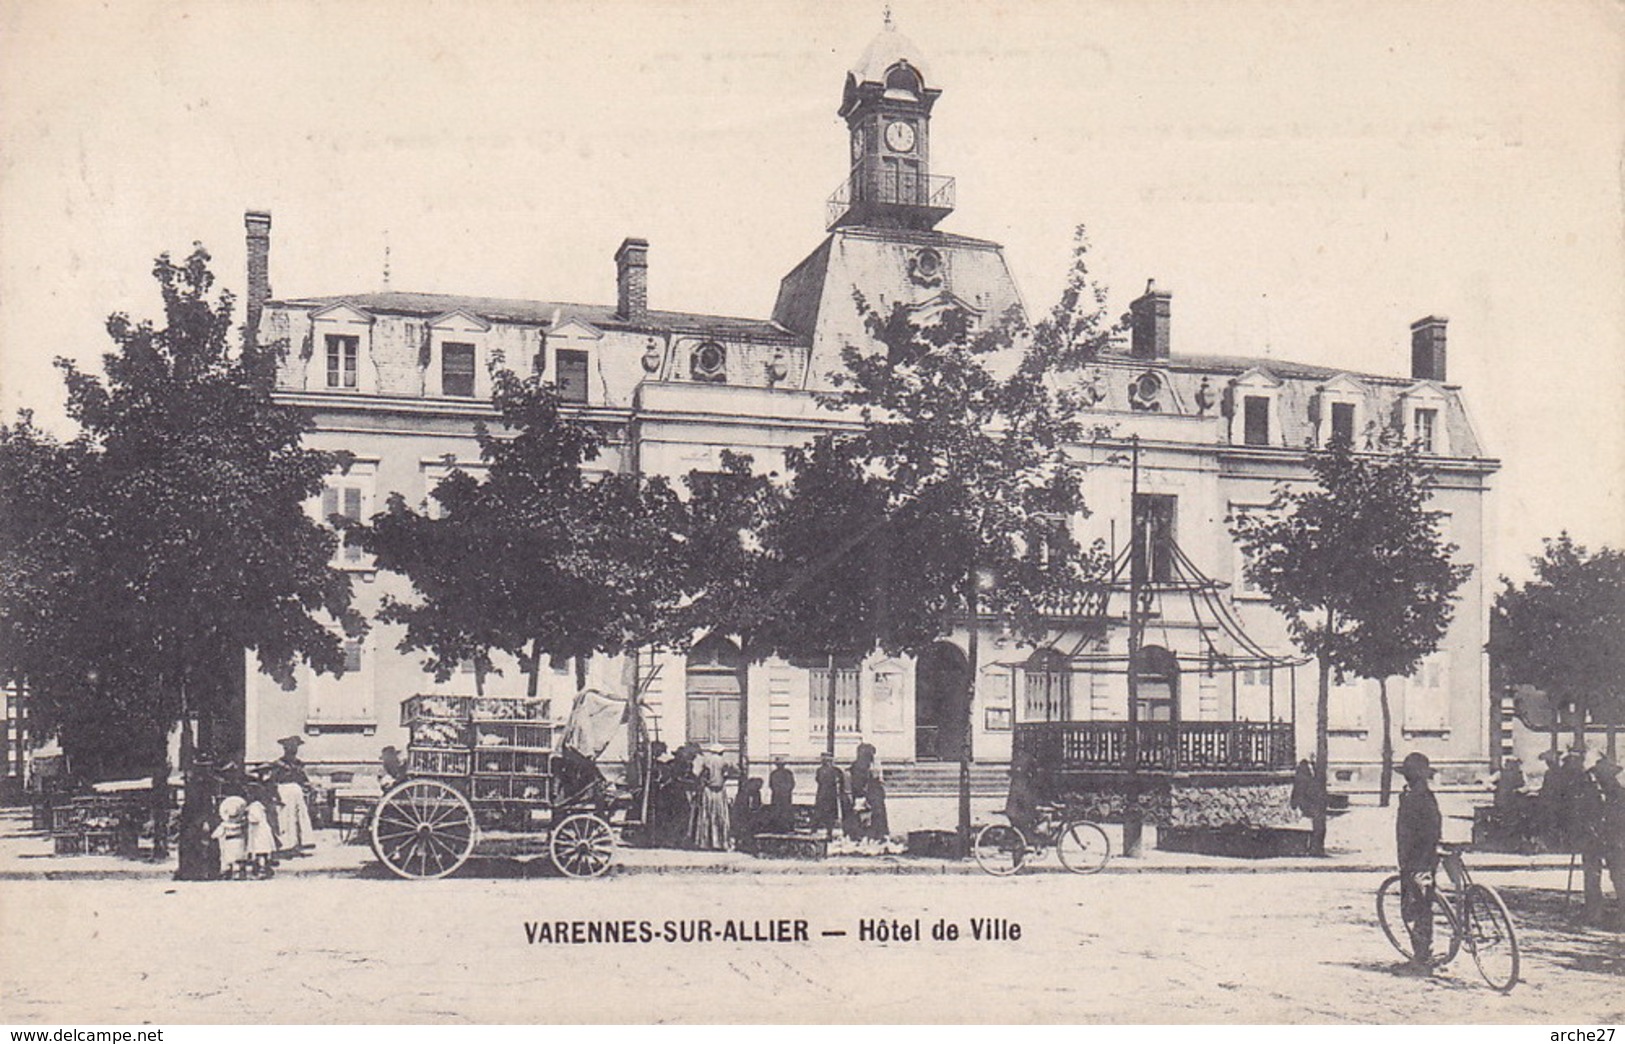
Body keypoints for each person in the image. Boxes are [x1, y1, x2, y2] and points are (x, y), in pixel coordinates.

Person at [1395, 751, 1442, 972]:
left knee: (1418, 908)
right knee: (1417, 906)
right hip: (1412, 860)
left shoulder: (1420, 797)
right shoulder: (1413, 794)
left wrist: (1420, 862)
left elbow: (1431, 831)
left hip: (1418, 861)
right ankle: (1422, 954)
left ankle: (1421, 959)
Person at [267, 735, 315, 856]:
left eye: (294, 748)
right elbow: (273, 780)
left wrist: (308, 786)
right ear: (285, 749)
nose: (293, 750)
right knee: (285, 817)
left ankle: (300, 843)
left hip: (297, 792)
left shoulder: (298, 764)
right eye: (290, 748)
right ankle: (285, 845)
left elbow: (303, 779)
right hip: (283, 791)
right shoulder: (278, 764)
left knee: (299, 817)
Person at [689, 744, 732, 851]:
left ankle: (705, 842)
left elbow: (697, 774)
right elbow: (729, 774)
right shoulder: (725, 762)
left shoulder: (706, 761)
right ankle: (720, 842)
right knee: (720, 815)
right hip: (720, 791)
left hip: (708, 791)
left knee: (706, 815)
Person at [812, 751, 846, 837]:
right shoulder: (835, 770)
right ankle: (826, 831)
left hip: (824, 794)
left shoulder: (821, 770)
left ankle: (816, 829)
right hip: (830, 795)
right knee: (826, 814)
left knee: (821, 812)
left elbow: (818, 780)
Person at [732, 777, 764, 851]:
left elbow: (757, 804)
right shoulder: (743, 793)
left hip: (752, 813)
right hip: (742, 814)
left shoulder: (757, 793)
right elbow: (740, 807)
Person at [767, 757, 796, 834]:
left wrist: (785, 791)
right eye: (778, 765)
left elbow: (792, 784)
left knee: (785, 811)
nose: (780, 766)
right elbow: (771, 785)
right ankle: (778, 828)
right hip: (779, 796)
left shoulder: (788, 773)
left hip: (783, 796)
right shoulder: (774, 774)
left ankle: (786, 827)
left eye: (781, 764)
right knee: (778, 811)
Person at [863, 764, 890, 842]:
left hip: (878, 806)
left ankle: (880, 835)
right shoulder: (873, 784)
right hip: (876, 806)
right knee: (876, 820)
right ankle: (878, 835)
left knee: (878, 820)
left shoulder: (873, 784)